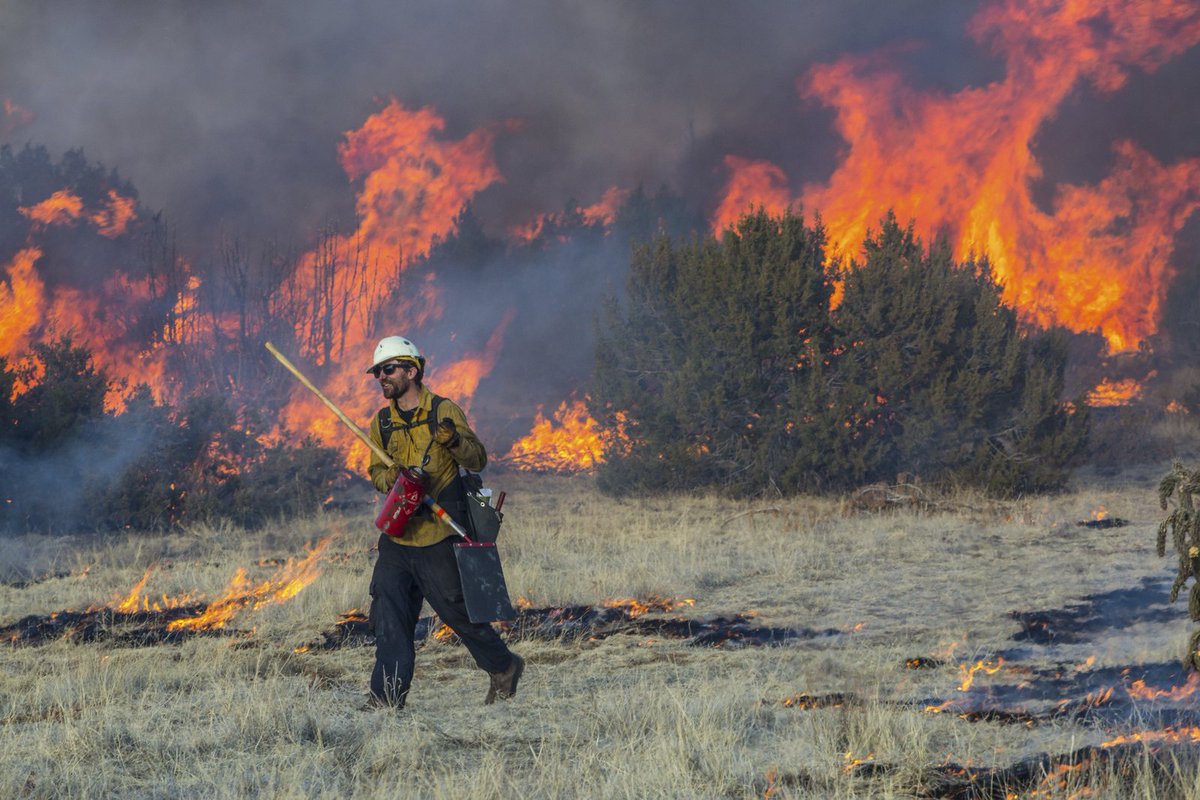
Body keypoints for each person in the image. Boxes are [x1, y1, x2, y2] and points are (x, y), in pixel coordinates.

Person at [363, 335, 523, 709]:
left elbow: (477, 459)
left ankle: (503, 667)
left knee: (457, 612)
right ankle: (385, 700)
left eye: (388, 370)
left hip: (439, 533)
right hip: (399, 535)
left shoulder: (443, 411)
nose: (381, 378)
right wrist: (394, 479)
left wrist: (452, 441)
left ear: (411, 371)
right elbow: (376, 471)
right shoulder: (382, 422)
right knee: (389, 615)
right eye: (377, 373)